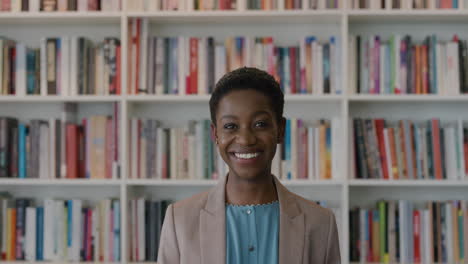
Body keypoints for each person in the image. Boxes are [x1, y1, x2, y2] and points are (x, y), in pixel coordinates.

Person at [157, 67, 341, 264]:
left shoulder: (321, 222)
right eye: (230, 126)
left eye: (260, 124)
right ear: (215, 134)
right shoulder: (180, 220)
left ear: (280, 130)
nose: (245, 139)